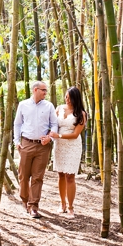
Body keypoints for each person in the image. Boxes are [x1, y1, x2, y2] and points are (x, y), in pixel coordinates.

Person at [13, 80, 58, 219]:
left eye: (46, 90)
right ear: (35, 90)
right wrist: (16, 141)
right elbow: (17, 124)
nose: (45, 92)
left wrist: (50, 137)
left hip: (43, 146)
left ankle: (33, 206)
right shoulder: (23, 105)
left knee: (38, 177)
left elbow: (54, 124)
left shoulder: (49, 106)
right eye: (43, 90)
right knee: (23, 176)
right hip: (26, 143)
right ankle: (25, 200)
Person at [49, 86, 87, 218]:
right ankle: (62, 204)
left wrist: (58, 136)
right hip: (59, 146)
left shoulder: (81, 113)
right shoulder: (59, 108)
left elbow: (76, 134)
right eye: (66, 97)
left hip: (72, 146)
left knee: (70, 176)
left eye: (70, 98)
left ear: (76, 98)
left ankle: (71, 207)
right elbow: (52, 124)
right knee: (60, 175)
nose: (67, 100)